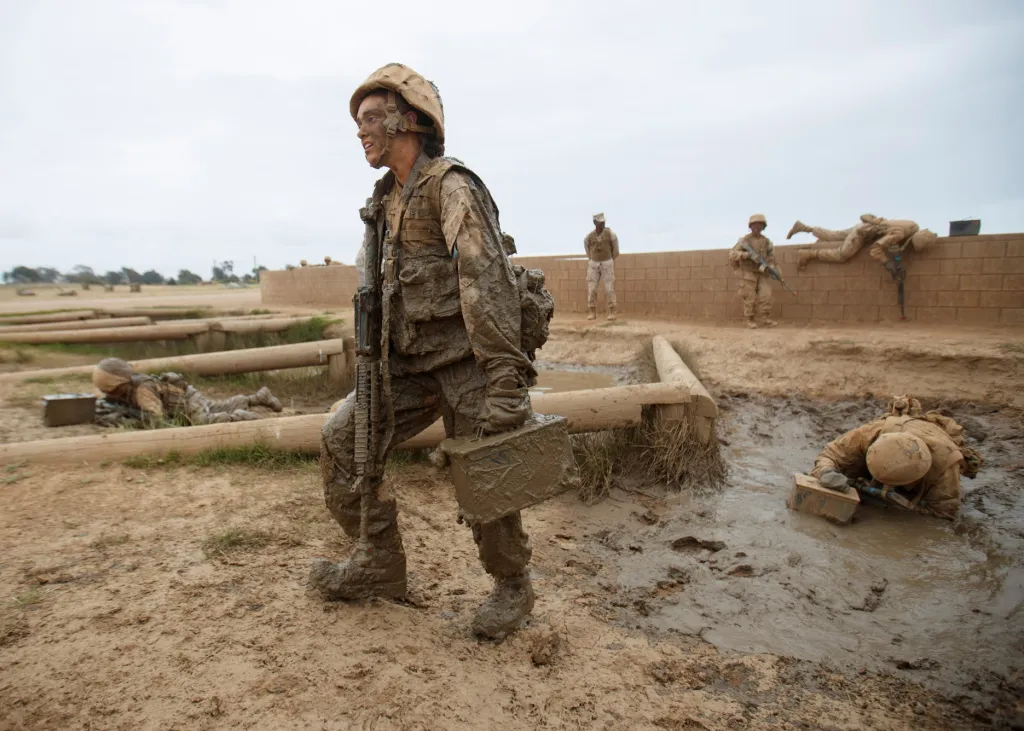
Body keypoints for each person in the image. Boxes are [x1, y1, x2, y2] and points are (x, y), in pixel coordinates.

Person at [310, 63, 553, 640]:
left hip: (468, 362)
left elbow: (483, 278)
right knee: (344, 442)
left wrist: (504, 381)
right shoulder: (384, 200)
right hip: (406, 367)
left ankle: (512, 587)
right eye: (359, 121)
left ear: (409, 120)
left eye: (372, 118)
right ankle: (379, 563)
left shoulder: (451, 186)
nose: (361, 131)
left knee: (488, 478)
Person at [809, 395, 982, 520]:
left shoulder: (946, 467)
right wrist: (825, 472)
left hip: (930, 465)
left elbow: (943, 513)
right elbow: (831, 454)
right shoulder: (873, 431)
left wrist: (900, 505)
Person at [92, 357, 282, 426]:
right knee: (217, 407)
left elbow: (158, 422)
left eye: (113, 391)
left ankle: (242, 417)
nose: (112, 396)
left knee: (202, 422)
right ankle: (258, 398)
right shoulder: (129, 387)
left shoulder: (143, 391)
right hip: (185, 398)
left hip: (185, 402)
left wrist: (129, 419)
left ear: (119, 384)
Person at [789, 214, 938, 273]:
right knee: (842, 254)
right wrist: (887, 263)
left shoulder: (913, 225)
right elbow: (875, 248)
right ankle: (808, 253)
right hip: (862, 234)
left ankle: (804, 227)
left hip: (864, 226)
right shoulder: (899, 234)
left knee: (834, 235)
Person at [728, 214, 778, 329]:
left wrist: (770, 265)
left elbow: (771, 256)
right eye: (754, 225)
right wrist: (746, 255)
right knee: (749, 296)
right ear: (750, 226)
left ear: (763, 227)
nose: (757, 227)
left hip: (762, 271)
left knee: (766, 295)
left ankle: (765, 318)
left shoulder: (766, 242)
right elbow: (732, 253)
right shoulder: (744, 241)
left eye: (759, 225)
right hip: (748, 273)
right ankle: (750, 320)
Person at [584, 213, 619, 321]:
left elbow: (616, 250)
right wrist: (592, 259)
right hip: (594, 264)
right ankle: (592, 311)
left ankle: (612, 311)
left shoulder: (611, 234)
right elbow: (587, 249)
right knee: (592, 288)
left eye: (603, 222)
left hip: (607, 262)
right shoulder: (589, 237)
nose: (603, 224)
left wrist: (609, 260)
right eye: (600, 222)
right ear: (595, 223)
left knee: (609, 288)